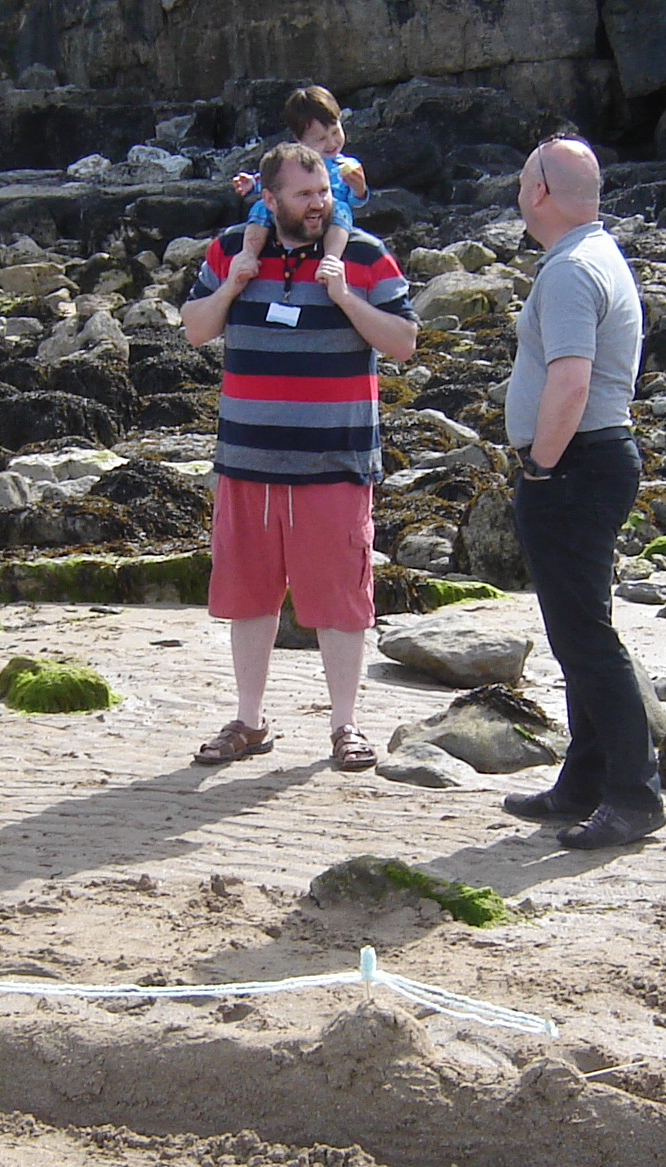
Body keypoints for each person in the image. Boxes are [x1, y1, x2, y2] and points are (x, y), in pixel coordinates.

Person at [180, 141, 416, 770]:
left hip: (335, 462)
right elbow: (196, 329)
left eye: (324, 194)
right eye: (304, 195)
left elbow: (403, 344)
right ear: (270, 198)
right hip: (247, 460)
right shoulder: (235, 248)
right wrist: (231, 286)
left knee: (340, 601)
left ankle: (345, 727)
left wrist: (346, 299)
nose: (318, 205)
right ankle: (249, 722)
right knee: (248, 596)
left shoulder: (363, 254)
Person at [500, 136, 666, 851]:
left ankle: (633, 795)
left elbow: (570, 381)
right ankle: (585, 780)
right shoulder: (592, 255)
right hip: (590, 460)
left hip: (577, 464)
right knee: (578, 633)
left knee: (585, 639)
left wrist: (539, 466)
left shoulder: (571, 270)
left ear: (539, 190)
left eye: (520, 176)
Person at [230, 86, 368, 286]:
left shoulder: (345, 164)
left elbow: (355, 201)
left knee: (341, 209)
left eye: (335, 132)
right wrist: (252, 183)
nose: (331, 142)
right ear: (300, 140)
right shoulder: (295, 160)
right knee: (262, 206)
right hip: (293, 214)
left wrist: (359, 188)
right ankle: (249, 253)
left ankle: (331, 258)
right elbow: (277, 181)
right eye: (321, 139)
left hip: (328, 215)